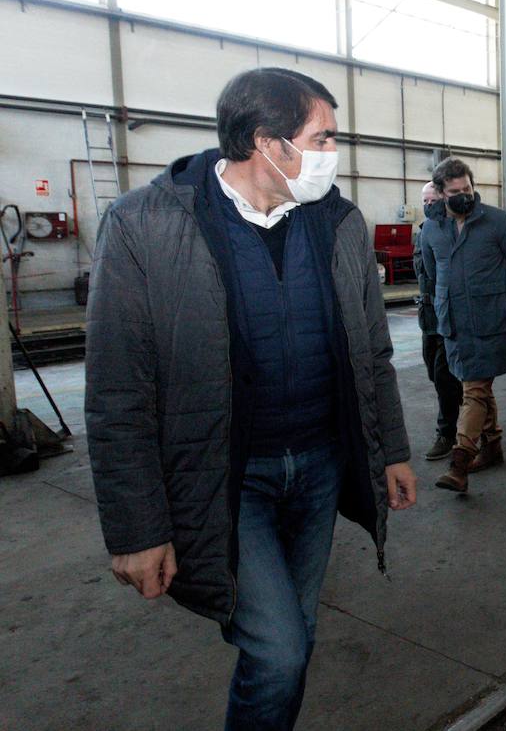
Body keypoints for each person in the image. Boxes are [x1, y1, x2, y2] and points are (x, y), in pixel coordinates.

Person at [84, 67, 417, 731]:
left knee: (293, 639)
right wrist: (136, 529)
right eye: (321, 138)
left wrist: (391, 452)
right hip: (226, 478)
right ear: (267, 143)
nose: (331, 153)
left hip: (320, 465)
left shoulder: (339, 224)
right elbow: (117, 389)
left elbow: (371, 354)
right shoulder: (144, 225)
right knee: (280, 648)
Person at [420, 156, 506, 494]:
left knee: (474, 389)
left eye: (467, 188)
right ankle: (493, 445)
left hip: (490, 321)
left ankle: (460, 462)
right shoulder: (431, 229)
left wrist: (496, 296)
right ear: (441, 193)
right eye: (455, 191)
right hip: (453, 324)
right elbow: (431, 270)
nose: (463, 195)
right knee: (479, 387)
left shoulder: (496, 222)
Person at [415, 181, 463, 460]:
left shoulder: (453, 232)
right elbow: (424, 273)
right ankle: (470, 416)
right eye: (425, 201)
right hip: (428, 317)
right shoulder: (424, 233)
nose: (428, 205)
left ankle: (447, 432)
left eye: (433, 200)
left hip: (448, 315)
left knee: (445, 377)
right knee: (435, 375)